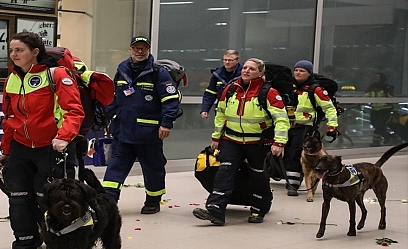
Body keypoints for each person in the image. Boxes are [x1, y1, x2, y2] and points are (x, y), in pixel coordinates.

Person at [0, 32, 84, 249]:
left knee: (56, 204)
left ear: (35, 52)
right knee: (19, 202)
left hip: (53, 148)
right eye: (11, 50)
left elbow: (74, 111)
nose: (14, 55)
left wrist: (64, 137)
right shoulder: (11, 80)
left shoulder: (57, 76)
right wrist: (6, 150)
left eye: (19, 50)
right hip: (22, 150)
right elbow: (10, 119)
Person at [193, 58, 290, 225]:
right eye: (245, 67)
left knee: (258, 176)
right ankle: (215, 209)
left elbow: (282, 119)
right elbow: (221, 114)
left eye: (251, 69)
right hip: (232, 140)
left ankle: (259, 209)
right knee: (224, 172)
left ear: (261, 73)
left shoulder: (269, 92)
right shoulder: (230, 89)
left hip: (258, 143)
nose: (246, 71)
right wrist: (216, 136)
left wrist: (279, 142)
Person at [101, 36, 181, 214]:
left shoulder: (158, 72)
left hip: (149, 134)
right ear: (130, 49)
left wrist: (166, 123)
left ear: (149, 50)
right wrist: (107, 117)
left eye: (143, 48)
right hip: (122, 132)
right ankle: (108, 202)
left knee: (153, 169)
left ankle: (153, 201)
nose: (140, 51)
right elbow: (115, 98)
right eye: (136, 48)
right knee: (115, 169)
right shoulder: (122, 70)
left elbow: (170, 100)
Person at [283, 60, 339, 196]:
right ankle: (290, 180)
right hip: (285, 127)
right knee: (285, 153)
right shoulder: (288, 88)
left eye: (302, 71)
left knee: (295, 153)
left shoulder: (316, 90)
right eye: (296, 70)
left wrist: (332, 127)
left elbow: (329, 109)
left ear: (309, 73)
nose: (298, 72)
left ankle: (294, 185)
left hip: (304, 128)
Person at [200, 50, 242, 119]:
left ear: (237, 61)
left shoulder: (244, 74)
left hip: (239, 111)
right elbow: (210, 93)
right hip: (221, 112)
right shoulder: (217, 74)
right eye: (225, 60)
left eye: (230, 60)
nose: (227, 62)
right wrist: (205, 109)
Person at [365, 73, 395, 146]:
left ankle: (376, 142)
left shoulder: (386, 87)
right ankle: (387, 136)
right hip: (374, 109)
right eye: (375, 77)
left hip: (384, 109)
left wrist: (394, 109)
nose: (376, 78)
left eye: (378, 77)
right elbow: (366, 96)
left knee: (379, 125)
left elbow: (391, 98)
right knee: (374, 123)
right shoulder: (371, 87)